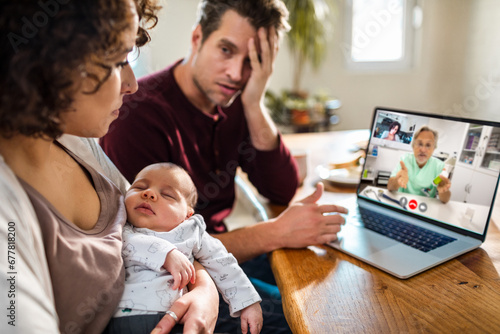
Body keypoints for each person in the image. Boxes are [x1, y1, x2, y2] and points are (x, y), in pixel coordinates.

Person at [100, 1, 347, 332]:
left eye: (252, 62)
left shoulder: (234, 101)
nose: (236, 73)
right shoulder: (139, 116)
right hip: (168, 281)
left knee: (328, 289)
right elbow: (141, 244)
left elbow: (281, 187)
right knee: (307, 319)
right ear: (198, 36)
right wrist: (275, 232)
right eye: (226, 50)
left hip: (215, 248)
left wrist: (255, 102)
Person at [0, 1, 219, 333]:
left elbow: (154, 231)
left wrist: (204, 287)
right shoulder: (7, 216)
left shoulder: (73, 139)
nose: (132, 84)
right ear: (55, 65)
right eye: (118, 62)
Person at [105, 163, 263, 334]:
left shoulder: (192, 231)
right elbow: (123, 242)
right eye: (139, 187)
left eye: (167, 195)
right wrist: (165, 253)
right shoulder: (122, 224)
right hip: (120, 317)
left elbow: (222, 262)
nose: (148, 193)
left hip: (175, 318)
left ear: (187, 214)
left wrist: (248, 302)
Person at [387, 126, 452, 203]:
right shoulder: (405, 160)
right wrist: (397, 179)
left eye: (428, 145)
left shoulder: (439, 166)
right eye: (419, 144)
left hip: (425, 206)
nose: (423, 150)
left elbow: (445, 200)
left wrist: (443, 190)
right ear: (413, 146)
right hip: (403, 202)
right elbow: (390, 187)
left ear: (434, 148)